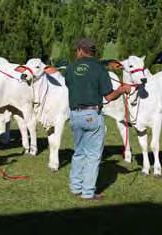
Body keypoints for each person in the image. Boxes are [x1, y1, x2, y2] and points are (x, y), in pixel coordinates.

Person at [65, 38, 131, 200]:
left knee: (79, 151)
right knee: (93, 155)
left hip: (74, 114)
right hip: (92, 115)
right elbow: (108, 96)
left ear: (80, 50)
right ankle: (87, 193)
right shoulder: (99, 69)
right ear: (92, 52)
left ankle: (75, 187)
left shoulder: (70, 68)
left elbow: (70, 85)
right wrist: (122, 89)